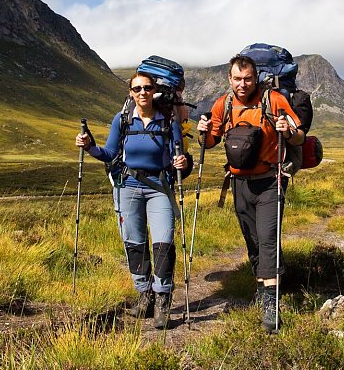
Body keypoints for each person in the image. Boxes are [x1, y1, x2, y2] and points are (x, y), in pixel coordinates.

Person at [75, 69, 193, 329]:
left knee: (163, 242)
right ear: (131, 93)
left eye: (147, 88)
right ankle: (145, 296)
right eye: (137, 89)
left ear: (154, 91)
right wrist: (90, 147)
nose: (143, 93)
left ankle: (163, 300)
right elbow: (109, 153)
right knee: (134, 243)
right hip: (126, 186)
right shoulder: (122, 120)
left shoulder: (168, 120)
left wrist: (181, 163)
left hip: (159, 187)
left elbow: (180, 159)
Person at [196, 54, 304, 332]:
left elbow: (299, 135)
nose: (242, 84)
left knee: (268, 239)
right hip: (239, 183)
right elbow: (210, 142)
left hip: (270, 180)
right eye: (237, 79)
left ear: (256, 78)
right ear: (229, 79)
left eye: (247, 79)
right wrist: (202, 132)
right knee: (253, 241)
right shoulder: (224, 103)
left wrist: (288, 131)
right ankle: (263, 287)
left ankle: (271, 302)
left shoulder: (274, 100)